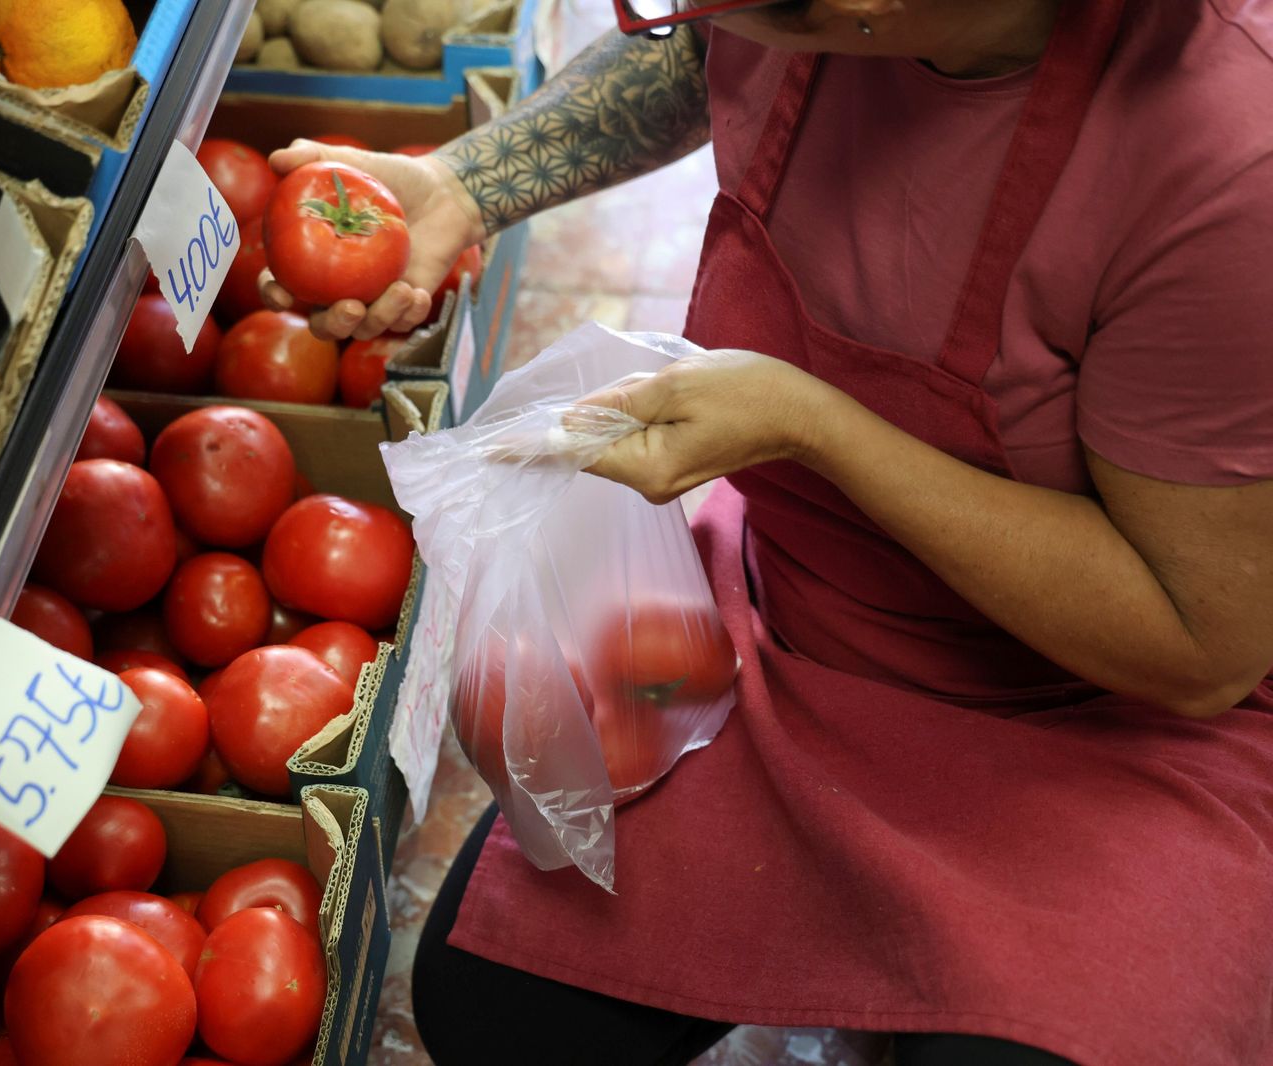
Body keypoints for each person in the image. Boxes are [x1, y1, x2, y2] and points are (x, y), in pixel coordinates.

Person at [262, 0, 1273, 1063]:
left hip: (1101, 738)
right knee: (493, 1010)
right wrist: (470, 181)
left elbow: (1195, 641)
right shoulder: (795, 20)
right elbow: (696, 52)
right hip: (791, 626)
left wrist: (815, 428)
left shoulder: (1223, 163)